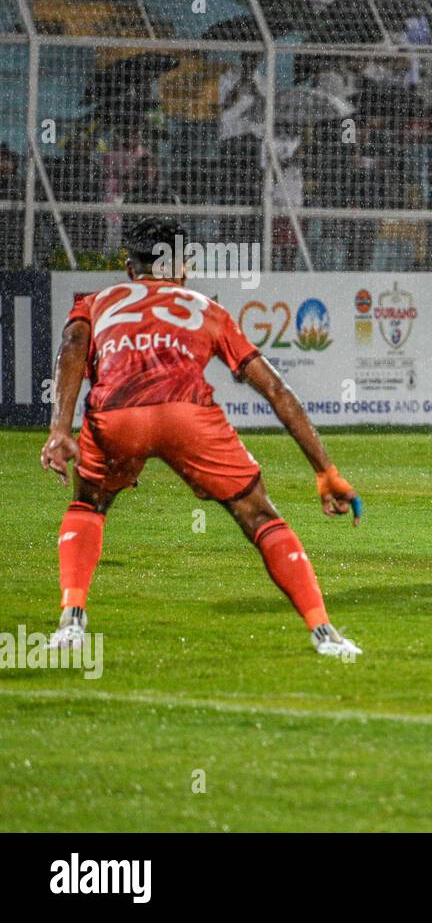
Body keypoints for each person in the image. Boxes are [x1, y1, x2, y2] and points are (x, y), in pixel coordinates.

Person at [39, 216, 363, 657]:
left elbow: (73, 346)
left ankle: (71, 622)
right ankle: (325, 634)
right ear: (184, 266)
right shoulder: (206, 309)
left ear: (130, 269)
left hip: (117, 414)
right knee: (259, 516)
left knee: (89, 504)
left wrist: (60, 430)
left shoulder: (96, 302)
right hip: (187, 414)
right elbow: (275, 390)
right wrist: (325, 471)